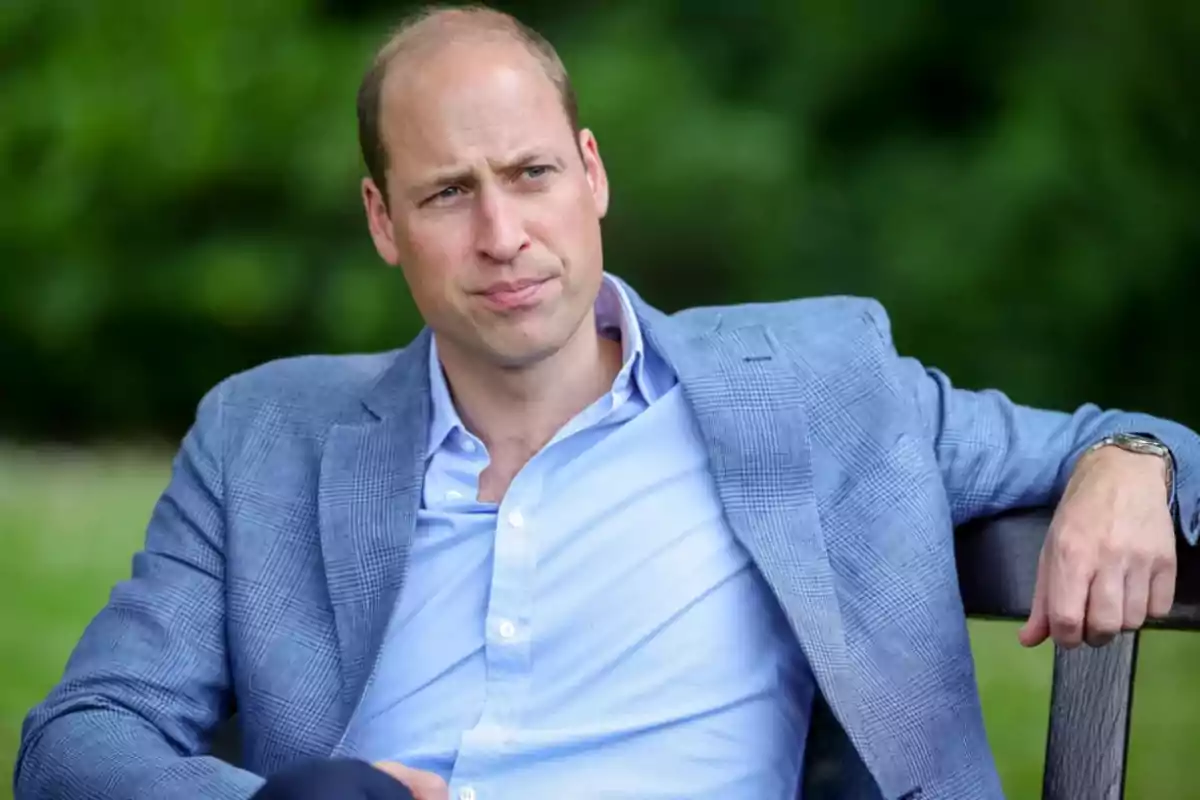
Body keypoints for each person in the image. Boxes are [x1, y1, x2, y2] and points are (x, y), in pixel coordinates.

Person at [15, 5, 1199, 800]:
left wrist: (1134, 453)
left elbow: (1123, 439)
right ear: (382, 222)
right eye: (445, 193)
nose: (502, 235)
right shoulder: (265, 434)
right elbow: (76, 740)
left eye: (530, 174)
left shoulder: (820, 378)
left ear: (591, 171)